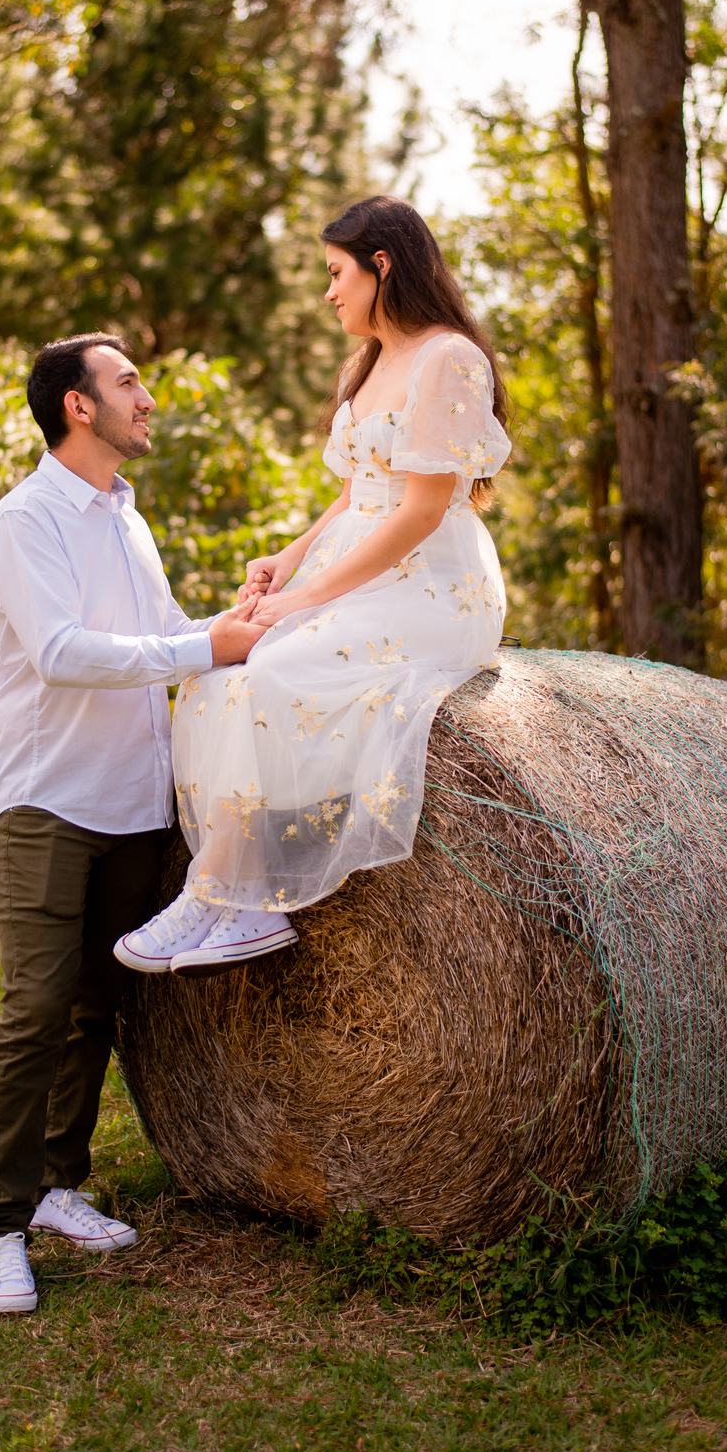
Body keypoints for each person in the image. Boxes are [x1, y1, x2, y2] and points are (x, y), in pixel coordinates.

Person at [114, 195, 511, 976]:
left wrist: (307, 598)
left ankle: (234, 895)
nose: (329, 292)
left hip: (431, 585)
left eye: (337, 273)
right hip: (358, 565)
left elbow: (423, 510)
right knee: (217, 669)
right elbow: (356, 493)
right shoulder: (369, 363)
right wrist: (289, 560)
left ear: (382, 266)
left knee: (277, 667)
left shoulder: (448, 358)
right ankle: (225, 895)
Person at [0, 331, 265, 1315]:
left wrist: (242, 621)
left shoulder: (129, 518)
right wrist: (197, 643)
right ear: (78, 407)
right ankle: (1, 1229)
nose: (148, 396)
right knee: (37, 1007)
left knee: (98, 1007)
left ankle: (61, 1186)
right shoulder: (26, 520)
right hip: (47, 802)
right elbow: (61, 650)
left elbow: (172, 640)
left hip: (137, 807)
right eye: (129, 381)